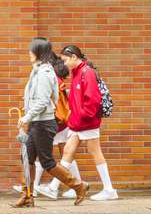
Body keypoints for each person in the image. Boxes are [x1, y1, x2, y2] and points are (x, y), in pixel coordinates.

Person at [13, 38, 88, 208]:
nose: (29, 53)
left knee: (47, 162)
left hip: (43, 123)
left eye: (32, 50)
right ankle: (27, 195)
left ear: (39, 52)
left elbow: (43, 101)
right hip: (37, 123)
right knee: (27, 158)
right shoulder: (38, 70)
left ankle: (79, 185)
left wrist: (26, 117)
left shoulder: (45, 73)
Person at [45, 44, 118, 202]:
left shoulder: (87, 73)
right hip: (78, 122)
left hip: (86, 122)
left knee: (95, 152)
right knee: (68, 152)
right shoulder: (77, 73)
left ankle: (109, 189)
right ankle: (53, 187)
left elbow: (92, 100)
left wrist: (79, 116)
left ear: (73, 57)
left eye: (65, 60)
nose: (63, 64)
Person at [32, 56, 82, 200]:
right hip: (62, 123)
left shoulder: (52, 80)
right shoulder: (58, 82)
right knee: (67, 154)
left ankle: (34, 187)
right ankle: (76, 185)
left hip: (56, 123)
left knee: (43, 154)